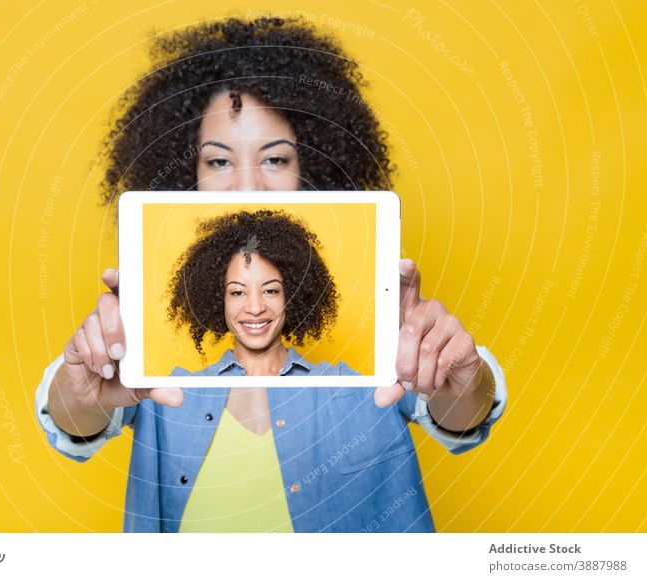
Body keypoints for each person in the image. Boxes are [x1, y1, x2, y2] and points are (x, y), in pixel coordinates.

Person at [34, 16, 507, 532]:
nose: (247, 189)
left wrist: (460, 377)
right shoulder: (150, 359)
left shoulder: (380, 343)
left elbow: (462, 416)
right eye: (217, 162)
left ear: (313, 174)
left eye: (275, 159)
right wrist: (79, 391)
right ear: (183, 177)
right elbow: (72, 422)